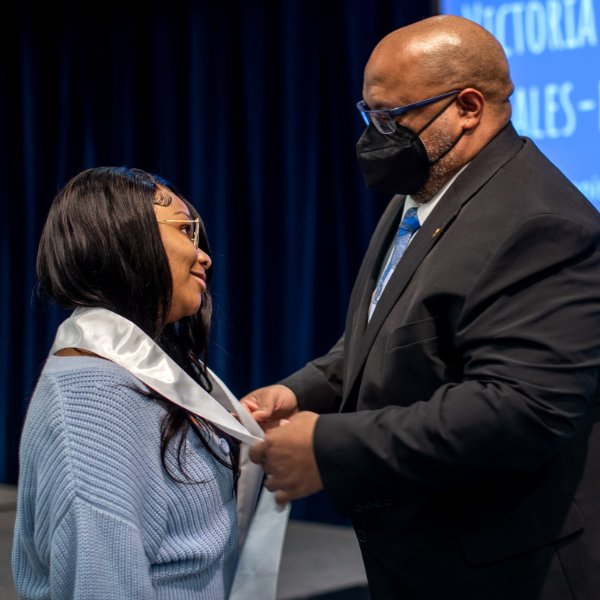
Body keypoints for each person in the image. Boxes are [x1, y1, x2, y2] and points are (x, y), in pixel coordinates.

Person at [241, 14, 600, 600]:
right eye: (368, 115)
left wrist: (326, 448)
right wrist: (303, 391)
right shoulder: (428, 187)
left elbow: (522, 411)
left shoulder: (542, 224)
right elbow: (384, 332)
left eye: (391, 117)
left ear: (467, 107)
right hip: (427, 559)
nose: (374, 136)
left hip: (508, 572)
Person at [12, 166, 245, 599]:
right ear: (122, 237)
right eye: (185, 230)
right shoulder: (91, 406)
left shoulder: (134, 374)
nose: (204, 255)